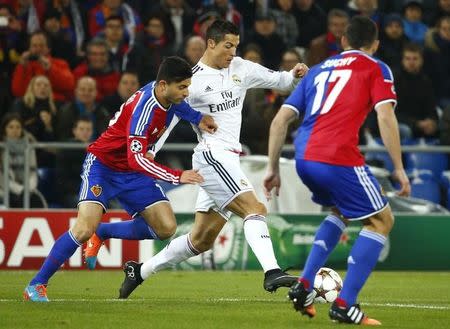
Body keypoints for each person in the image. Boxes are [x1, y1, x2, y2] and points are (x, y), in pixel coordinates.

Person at [84, 20, 308, 298]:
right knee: (255, 208)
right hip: (212, 156)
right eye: (228, 46)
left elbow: (281, 81)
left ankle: (139, 271)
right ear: (211, 43)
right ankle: (272, 272)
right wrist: (151, 151)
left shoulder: (241, 68)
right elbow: (168, 118)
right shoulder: (192, 81)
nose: (232, 52)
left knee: (201, 240)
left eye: (235, 46)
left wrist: (295, 75)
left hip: (230, 158)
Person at [23, 56, 218, 302]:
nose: (186, 92)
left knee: (165, 228)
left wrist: (199, 118)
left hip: (131, 171)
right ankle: (37, 284)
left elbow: (179, 107)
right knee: (83, 229)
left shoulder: (166, 95)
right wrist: (177, 176)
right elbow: (137, 159)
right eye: (182, 87)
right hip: (103, 167)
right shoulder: (144, 110)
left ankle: (103, 232)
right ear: (163, 85)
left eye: (187, 86)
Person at [263, 16, 410, 325]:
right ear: (375, 44)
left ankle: (303, 286)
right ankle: (345, 304)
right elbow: (385, 117)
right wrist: (398, 167)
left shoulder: (317, 71)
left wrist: (272, 168)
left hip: (304, 158)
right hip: (337, 157)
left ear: (343, 41)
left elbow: (279, 121)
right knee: (382, 220)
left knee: (340, 211)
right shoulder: (376, 67)